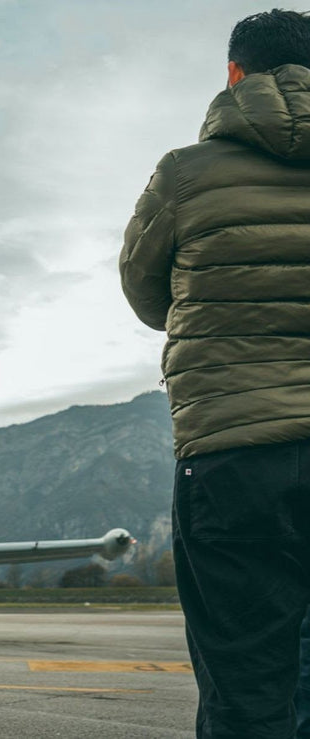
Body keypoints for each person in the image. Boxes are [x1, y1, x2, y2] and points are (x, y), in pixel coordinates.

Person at [119, 9, 310, 738]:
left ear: (235, 72)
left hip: (233, 456)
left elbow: (145, 292)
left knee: (242, 686)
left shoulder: (184, 174)